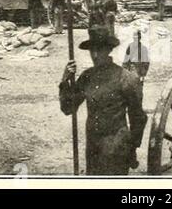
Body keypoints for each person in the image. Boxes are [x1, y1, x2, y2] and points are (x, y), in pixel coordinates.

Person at [59, 25, 147, 175]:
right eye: (92, 50)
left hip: (117, 148)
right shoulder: (87, 77)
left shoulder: (125, 78)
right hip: (93, 148)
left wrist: (132, 147)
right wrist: (65, 80)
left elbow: (138, 117)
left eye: (99, 50)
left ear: (108, 50)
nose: (95, 55)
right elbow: (68, 108)